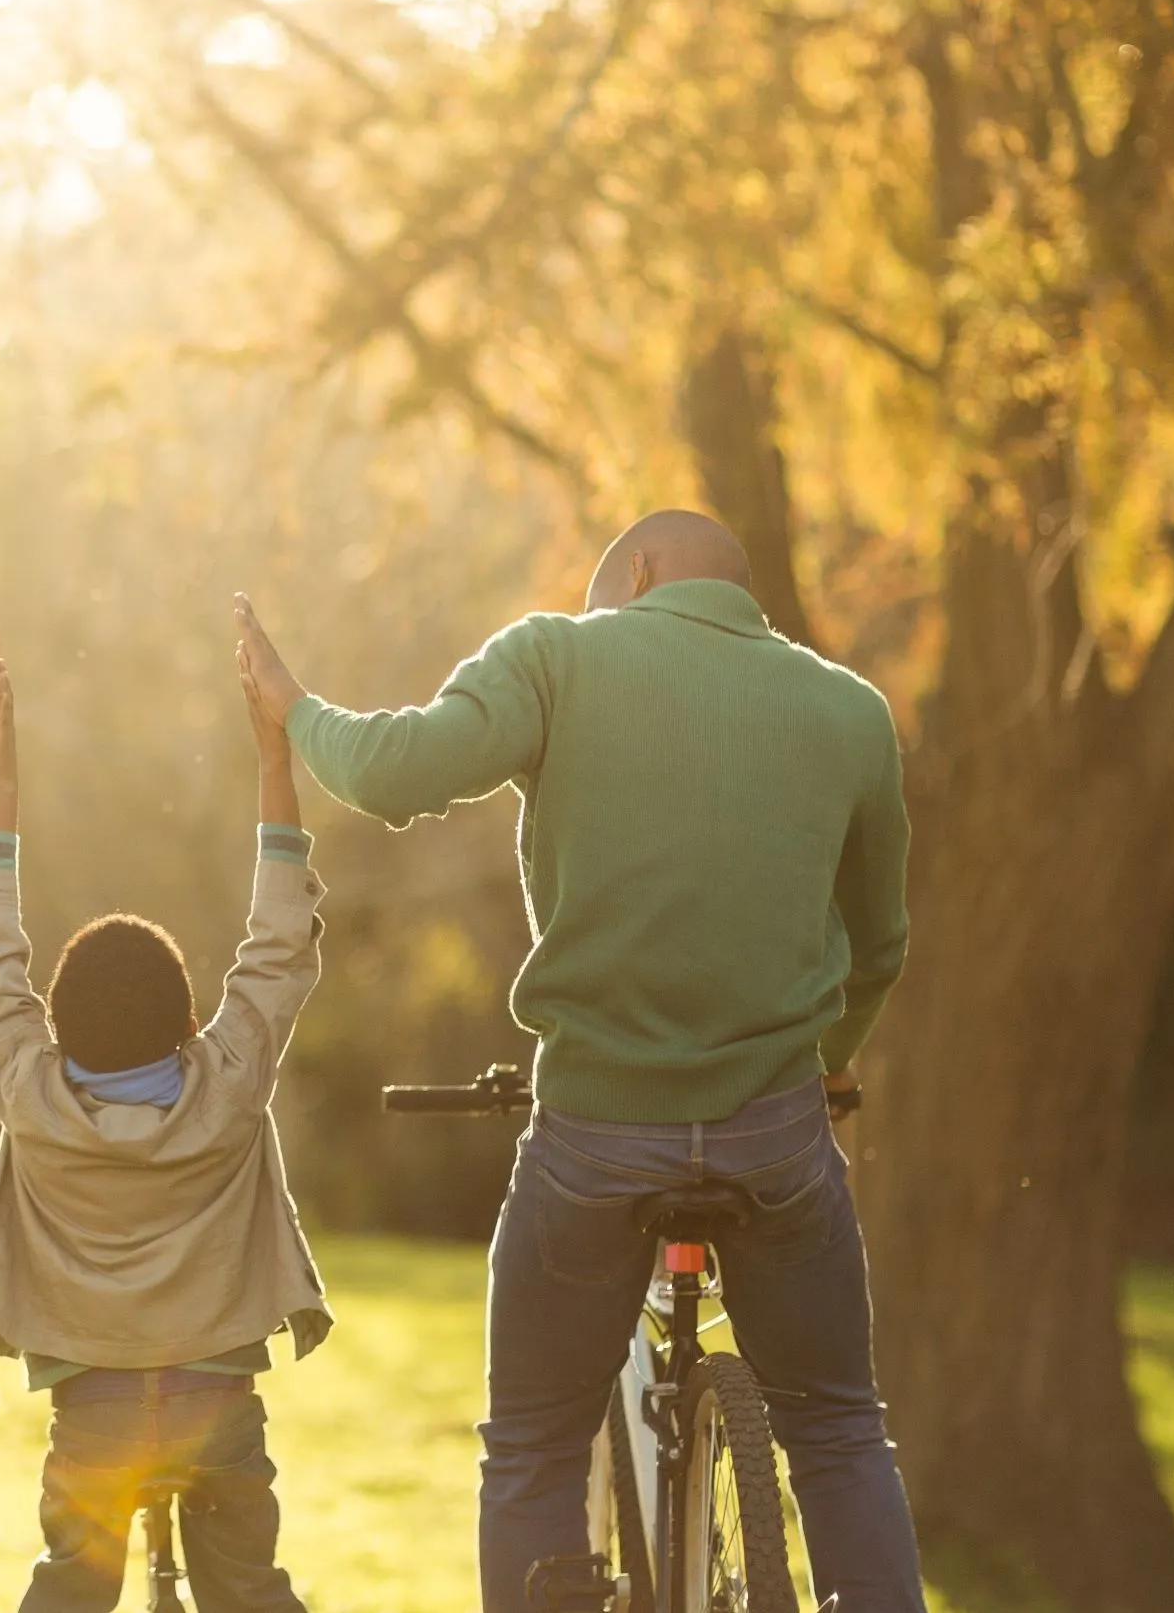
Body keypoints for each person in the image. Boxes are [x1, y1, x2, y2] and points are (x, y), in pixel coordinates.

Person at [234, 508, 925, 1613]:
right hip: (775, 1128)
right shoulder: (849, 711)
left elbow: (390, 772)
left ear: (638, 571)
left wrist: (292, 705)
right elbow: (879, 947)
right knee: (839, 1427)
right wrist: (829, 1064)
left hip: (595, 1131)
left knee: (532, 1446)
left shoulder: (558, 654)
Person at [0, 634, 328, 1613]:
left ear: (55, 1023)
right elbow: (280, 938)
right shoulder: (230, 1079)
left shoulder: (30, 1095)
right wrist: (276, 762)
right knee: (249, 1590)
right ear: (190, 1019)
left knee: (73, 1584)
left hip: (94, 1410)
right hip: (217, 1405)